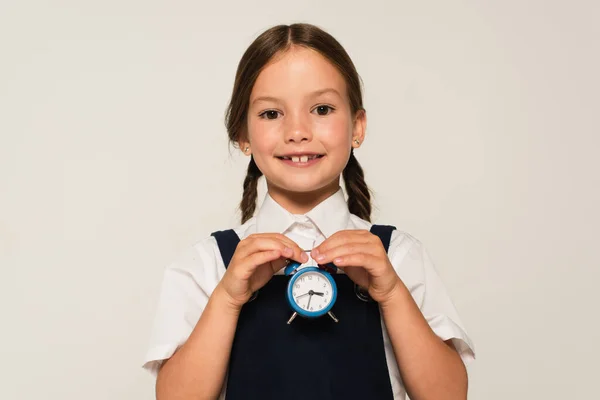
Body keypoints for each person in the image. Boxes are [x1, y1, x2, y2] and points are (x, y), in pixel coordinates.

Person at [142, 23, 476, 400]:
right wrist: (227, 298)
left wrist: (393, 292)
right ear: (243, 135)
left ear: (357, 127)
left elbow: (448, 395)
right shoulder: (207, 266)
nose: (297, 131)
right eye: (271, 113)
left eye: (321, 109)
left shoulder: (397, 255)